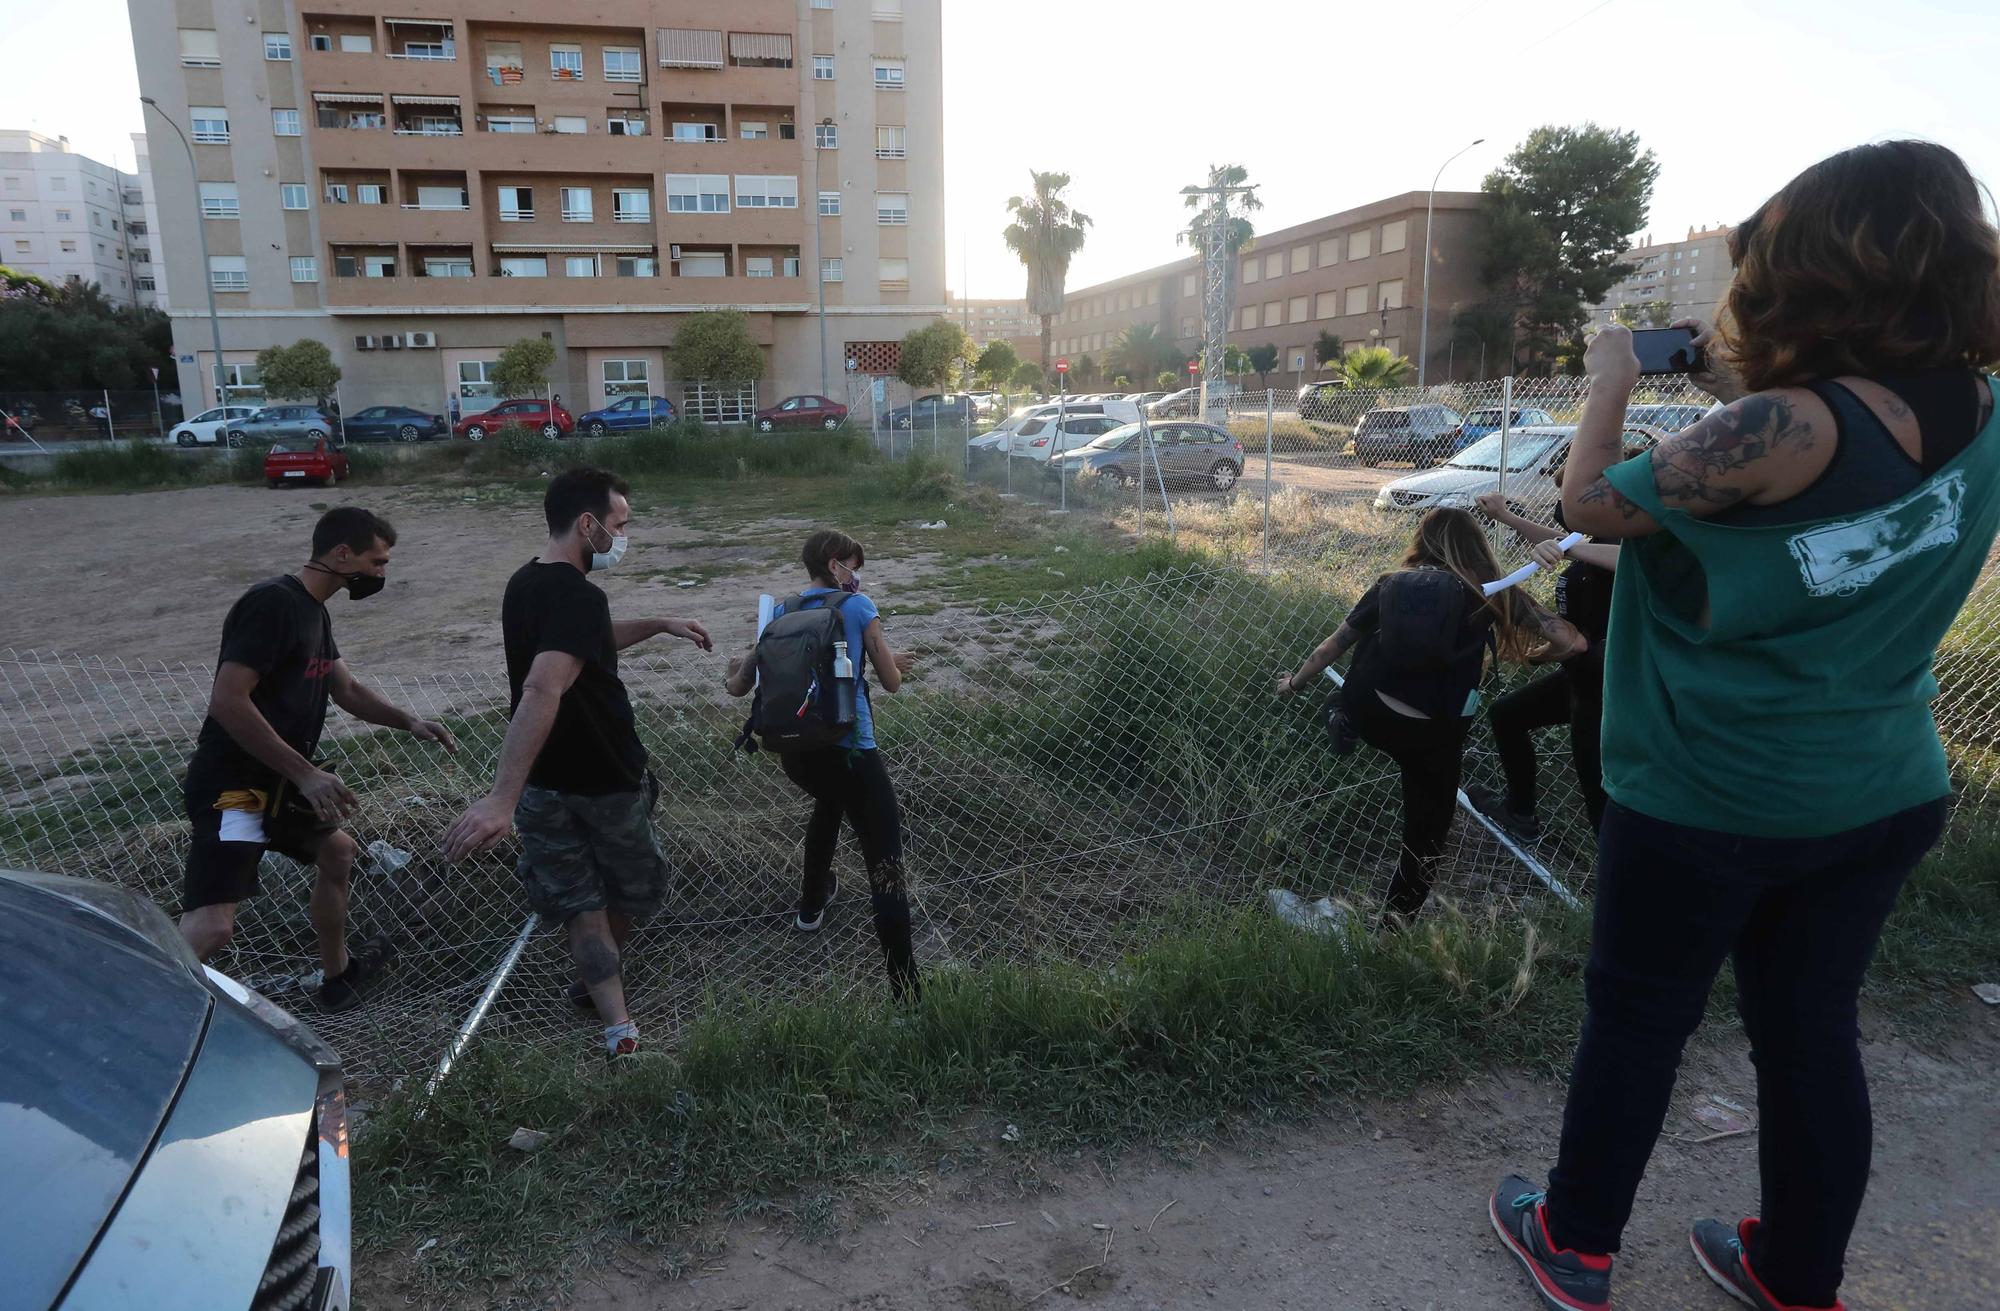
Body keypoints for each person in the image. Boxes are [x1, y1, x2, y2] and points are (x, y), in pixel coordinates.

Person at [1490, 140, 2000, 1311]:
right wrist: (1744, 397)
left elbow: (1586, 507)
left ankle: (1571, 1241)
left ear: (1809, 269)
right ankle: (1793, 1274)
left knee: (1637, 1018)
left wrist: (1610, 376)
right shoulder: (1980, 408)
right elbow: (1839, 496)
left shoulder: (1784, 422)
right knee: (1810, 1033)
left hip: (1716, 790)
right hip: (1883, 782)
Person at [441, 467, 713, 1061]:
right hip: (605, 781)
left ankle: (612, 1017)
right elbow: (543, 687)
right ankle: (609, 999)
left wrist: (660, 624)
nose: (623, 537)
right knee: (629, 893)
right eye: (619, 525)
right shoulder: (579, 593)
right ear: (587, 525)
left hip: (548, 783)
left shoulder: (527, 583)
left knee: (583, 910)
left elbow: (583, 640)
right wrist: (500, 800)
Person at [178, 507, 458, 1012]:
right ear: (341, 553)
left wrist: (409, 722)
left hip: (279, 787)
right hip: (240, 790)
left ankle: (338, 975)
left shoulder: (315, 613)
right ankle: (139, 995)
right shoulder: (273, 605)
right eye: (377, 561)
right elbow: (227, 700)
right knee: (216, 925)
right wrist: (306, 774)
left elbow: (345, 688)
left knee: (338, 853)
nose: (381, 574)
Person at [1275, 508, 1585, 924]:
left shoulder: (1392, 585)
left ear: (1423, 542)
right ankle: (1395, 926)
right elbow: (1572, 642)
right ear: (1476, 546)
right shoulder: (1494, 592)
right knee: (1425, 837)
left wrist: (1294, 683)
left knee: (1353, 684)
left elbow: (1333, 646)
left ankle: (1342, 714)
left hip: (1371, 707)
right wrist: (1537, 655)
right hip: (1434, 733)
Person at [723, 529, 921, 999]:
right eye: (854, 565)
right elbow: (890, 682)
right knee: (885, 861)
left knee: (829, 807)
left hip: (797, 754)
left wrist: (731, 667)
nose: (858, 575)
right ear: (835, 565)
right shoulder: (859, 606)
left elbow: (737, 687)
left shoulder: (782, 612)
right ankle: (908, 990)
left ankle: (810, 907)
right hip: (852, 752)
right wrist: (893, 663)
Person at [1469, 488, 1623, 839]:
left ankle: (1616, 884)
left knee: (1602, 804)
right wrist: (1507, 518)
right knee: (1507, 715)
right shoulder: (1596, 538)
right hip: (1581, 677)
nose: (1563, 501)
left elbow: (1629, 558)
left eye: (1574, 490)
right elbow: (1563, 543)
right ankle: (1520, 812)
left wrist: (1566, 549)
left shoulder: (1633, 547)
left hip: (1608, 691)